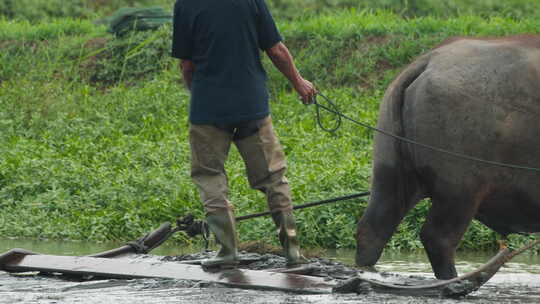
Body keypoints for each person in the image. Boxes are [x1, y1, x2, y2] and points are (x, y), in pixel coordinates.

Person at [171, 0, 317, 268]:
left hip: (208, 109)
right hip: (252, 106)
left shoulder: (185, 4)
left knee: (210, 176)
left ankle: (227, 253)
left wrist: (201, 94)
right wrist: (299, 82)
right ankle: (294, 255)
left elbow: (187, 65)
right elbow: (276, 50)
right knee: (274, 178)